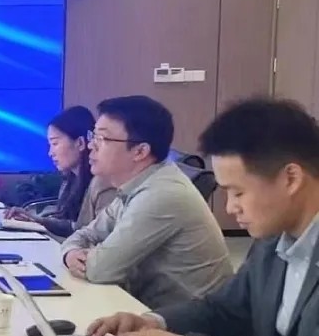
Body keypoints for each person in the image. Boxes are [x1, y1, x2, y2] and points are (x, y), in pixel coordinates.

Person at [88, 97, 319, 336]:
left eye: (238, 192)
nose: (231, 208)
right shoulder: (273, 241)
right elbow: (224, 309)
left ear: (291, 179)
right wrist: (153, 322)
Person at [60, 95, 233, 308]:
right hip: (152, 309)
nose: (91, 146)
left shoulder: (161, 194)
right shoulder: (135, 184)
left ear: (140, 151)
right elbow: (85, 234)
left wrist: (90, 256)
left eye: (102, 139)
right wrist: (71, 253)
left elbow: (101, 270)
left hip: (191, 320)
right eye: (93, 135)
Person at [5, 106, 116, 237]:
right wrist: (35, 220)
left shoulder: (103, 184)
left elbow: (94, 237)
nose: (50, 153)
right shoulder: (70, 181)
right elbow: (73, 227)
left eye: (55, 143)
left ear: (80, 143)